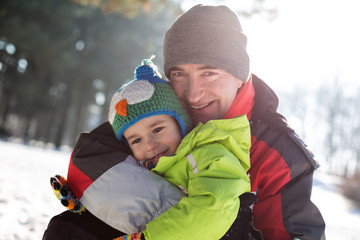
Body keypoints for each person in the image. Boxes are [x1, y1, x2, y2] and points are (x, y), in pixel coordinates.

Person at [44, 4, 326, 240]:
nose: (193, 94)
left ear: (240, 74)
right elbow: (90, 155)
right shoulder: (158, 109)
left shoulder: (279, 153)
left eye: (210, 73)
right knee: (67, 229)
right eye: (179, 74)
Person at [44, 58, 252, 240]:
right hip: (152, 230)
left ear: (181, 122)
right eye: (136, 141)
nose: (149, 145)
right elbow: (133, 202)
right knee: (63, 228)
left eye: (158, 129)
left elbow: (213, 210)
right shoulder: (143, 166)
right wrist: (88, 205)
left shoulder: (211, 154)